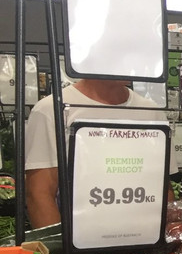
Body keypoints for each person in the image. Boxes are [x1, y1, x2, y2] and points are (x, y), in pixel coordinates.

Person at [25, 78, 165, 228]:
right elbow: (39, 194)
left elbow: (163, 187)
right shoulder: (50, 109)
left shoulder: (152, 112)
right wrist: (59, 249)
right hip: (78, 245)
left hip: (144, 241)